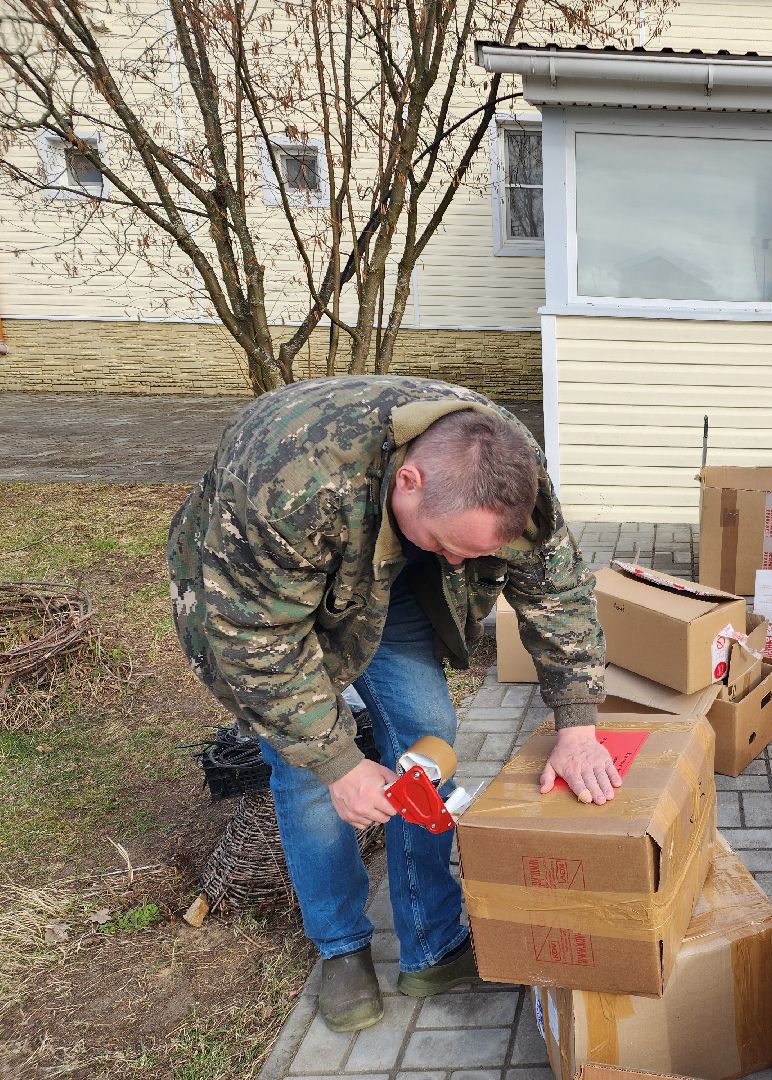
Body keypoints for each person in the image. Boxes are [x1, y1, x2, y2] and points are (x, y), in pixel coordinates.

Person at [169, 375, 616, 1034]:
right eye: (453, 546)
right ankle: (342, 949)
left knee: (429, 733)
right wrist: (339, 763)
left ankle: (433, 946)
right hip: (267, 598)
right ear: (408, 482)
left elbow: (558, 593)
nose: (466, 565)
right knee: (311, 770)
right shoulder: (287, 481)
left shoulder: (508, 469)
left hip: (391, 573)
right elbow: (256, 643)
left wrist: (576, 722)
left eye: (481, 553)